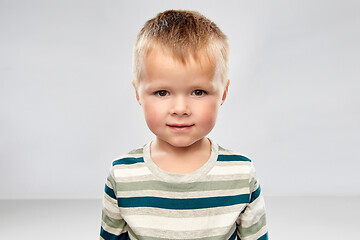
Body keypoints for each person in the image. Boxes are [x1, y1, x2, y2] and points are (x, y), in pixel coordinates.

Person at [100, 10, 268, 240]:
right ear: (138, 93)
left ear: (223, 93)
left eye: (198, 92)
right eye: (162, 92)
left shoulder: (241, 174)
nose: (180, 108)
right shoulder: (122, 175)